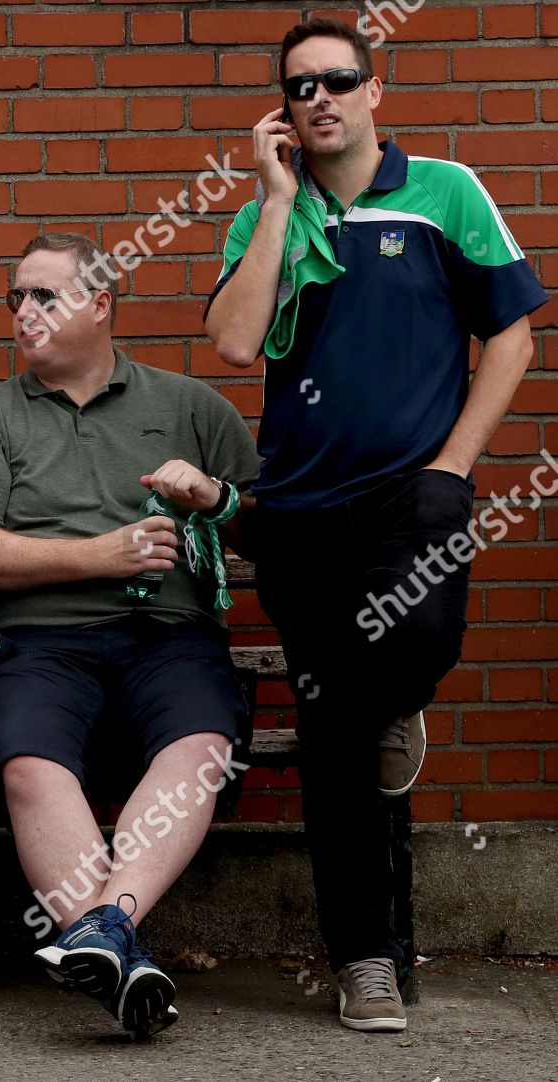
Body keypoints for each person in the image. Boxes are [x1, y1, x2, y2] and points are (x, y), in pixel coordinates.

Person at [204, 17, 546, 1033]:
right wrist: (275, 203)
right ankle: (367, 961)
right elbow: (231, 343)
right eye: (298, 87)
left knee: (417, 642)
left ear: (375, 89)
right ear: (283, 107)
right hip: (301, 507)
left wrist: (454, 463)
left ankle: (399, 701)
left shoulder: (444, 190)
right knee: (336, 734)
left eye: (338, 80)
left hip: (414, 494)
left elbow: (514, 336)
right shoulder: (269, 212)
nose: (319, 99)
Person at [0, 233, 261, 1038]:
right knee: (29, 763)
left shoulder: (189, 407)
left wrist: (214, 496)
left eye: (46, 296)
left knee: (202, 750)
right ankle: (116, 940)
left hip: (168, 636)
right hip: (41, 642)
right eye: (16, 298)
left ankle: (102, 936)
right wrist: (100, 554)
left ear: (102, 302)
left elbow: (271, 532)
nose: (25, 314)